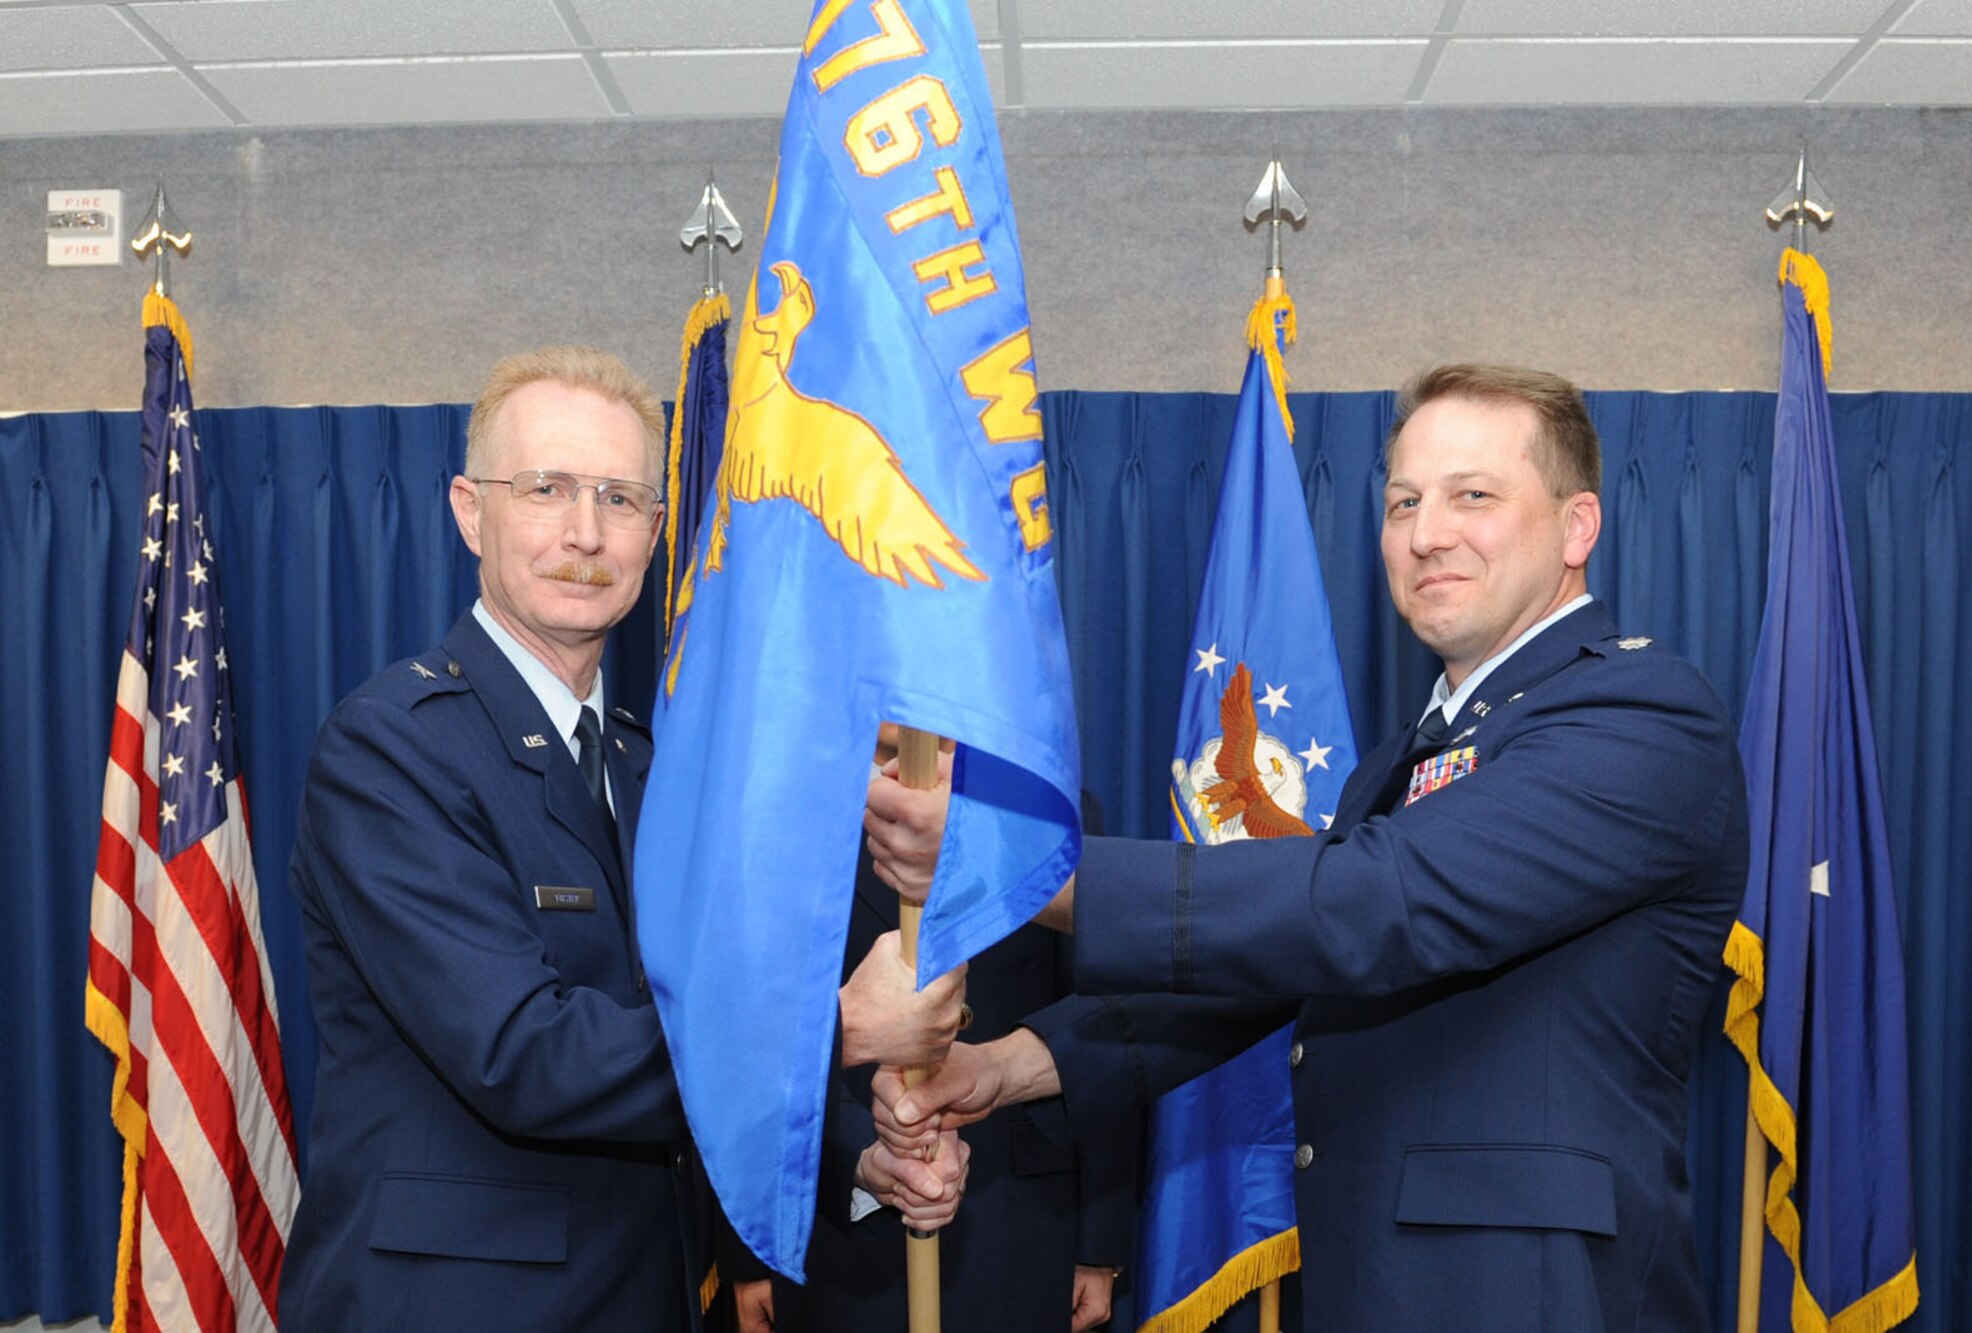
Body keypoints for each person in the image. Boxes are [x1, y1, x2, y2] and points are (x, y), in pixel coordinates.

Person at [866, 364, 1751, 1332]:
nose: (1425, 533)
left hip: (1531, 1298)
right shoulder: (1400, 764)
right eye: (1403, 500)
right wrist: (1005, 1067)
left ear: (1577, 527)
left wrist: (1032, 868)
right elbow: (1261, 976)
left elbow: (1378, 905)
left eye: (1472, 496)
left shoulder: (1638, 716)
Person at [279, 345, 967, 1331]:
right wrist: (842, 1028)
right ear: (471, 511)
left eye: (618, 498)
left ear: (654, 532)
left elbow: (688, 1032)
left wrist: (858, 1159)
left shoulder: (648, 768)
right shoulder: (390, 750)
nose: (585, 532)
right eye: (547, 488)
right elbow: (526, 1055)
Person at [728, 741, 1133, 1333]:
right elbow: (740, 1032)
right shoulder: (777, 815)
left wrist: (1100, 1244)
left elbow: (1098, 1022)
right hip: (830, 1231)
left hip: (1019, 1224)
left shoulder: (1045, 810)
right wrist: (747, 1250)